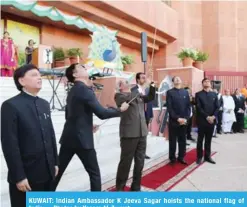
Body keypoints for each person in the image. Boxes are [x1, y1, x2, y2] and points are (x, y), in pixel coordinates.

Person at [52, 63, 129, 191]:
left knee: (57, 173)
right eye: (81, 67)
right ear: (75, 74)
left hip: (69, 137)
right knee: (94, 174)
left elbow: (70, 115)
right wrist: (120, 110)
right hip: (82, 140)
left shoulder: (73, 90)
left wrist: (87, 125)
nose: (85, 68)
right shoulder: (85, 90)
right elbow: (102, 113)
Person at [1, 64, 59, 207]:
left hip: (47, 171)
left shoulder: (44, 104)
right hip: (27, 175)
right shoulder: (11, 105)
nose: (39, 78)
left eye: (39, 75)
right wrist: (19, 176)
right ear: (21, 81)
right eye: (33, 75)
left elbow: (51, 135)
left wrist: (55, 162)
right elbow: (10, 144)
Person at [114, 79, 155, 191]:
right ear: (120, 86)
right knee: (126, 162)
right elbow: (127, 100)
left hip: (142, 132)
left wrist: (151, 86)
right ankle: (120, 188)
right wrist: (138, 87)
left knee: (140, 161)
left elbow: (150, 98)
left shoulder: (137, 95)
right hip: (129, 134)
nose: (128, 82)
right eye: (125, 81)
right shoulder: (119, 95)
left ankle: (136, 186)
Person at [166, 76, 191, 165]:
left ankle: (181, 157)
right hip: (174, 121)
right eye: (175, 79)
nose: (177, 79)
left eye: (178, 78)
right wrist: (177, 118)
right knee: (172, 140)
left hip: (184, 121)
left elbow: (188, 106)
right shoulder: (170, 92)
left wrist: (186, 118)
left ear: (181, 81)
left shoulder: (185, 92)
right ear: (173, 82)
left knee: (182, 140)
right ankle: (172, 158)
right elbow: (170, 107)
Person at [195, 78, 219, 165]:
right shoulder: (198, 94)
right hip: (202, 120)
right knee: (200, 140)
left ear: (210, 84)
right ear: (202, 84)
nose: (207, 82)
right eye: (205, 81)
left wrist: (213, 116)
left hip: (211, 121)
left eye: (208, 81)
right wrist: (207, 116)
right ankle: (199, 157)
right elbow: (198, 107)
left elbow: (217, 107)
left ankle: (207, 156)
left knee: (208, 140)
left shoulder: (214, 94)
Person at [131, 72, 152, 159]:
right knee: (136, 135)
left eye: (145, 77)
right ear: (138, 79)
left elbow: (149, 102)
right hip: (137, 116)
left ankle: (142, 153)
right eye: (143, 78)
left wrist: (150, 115)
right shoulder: (133, 90)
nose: (145, 79)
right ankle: (134, 152)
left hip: (146, 114)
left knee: (144, 135)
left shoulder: (148, 89)